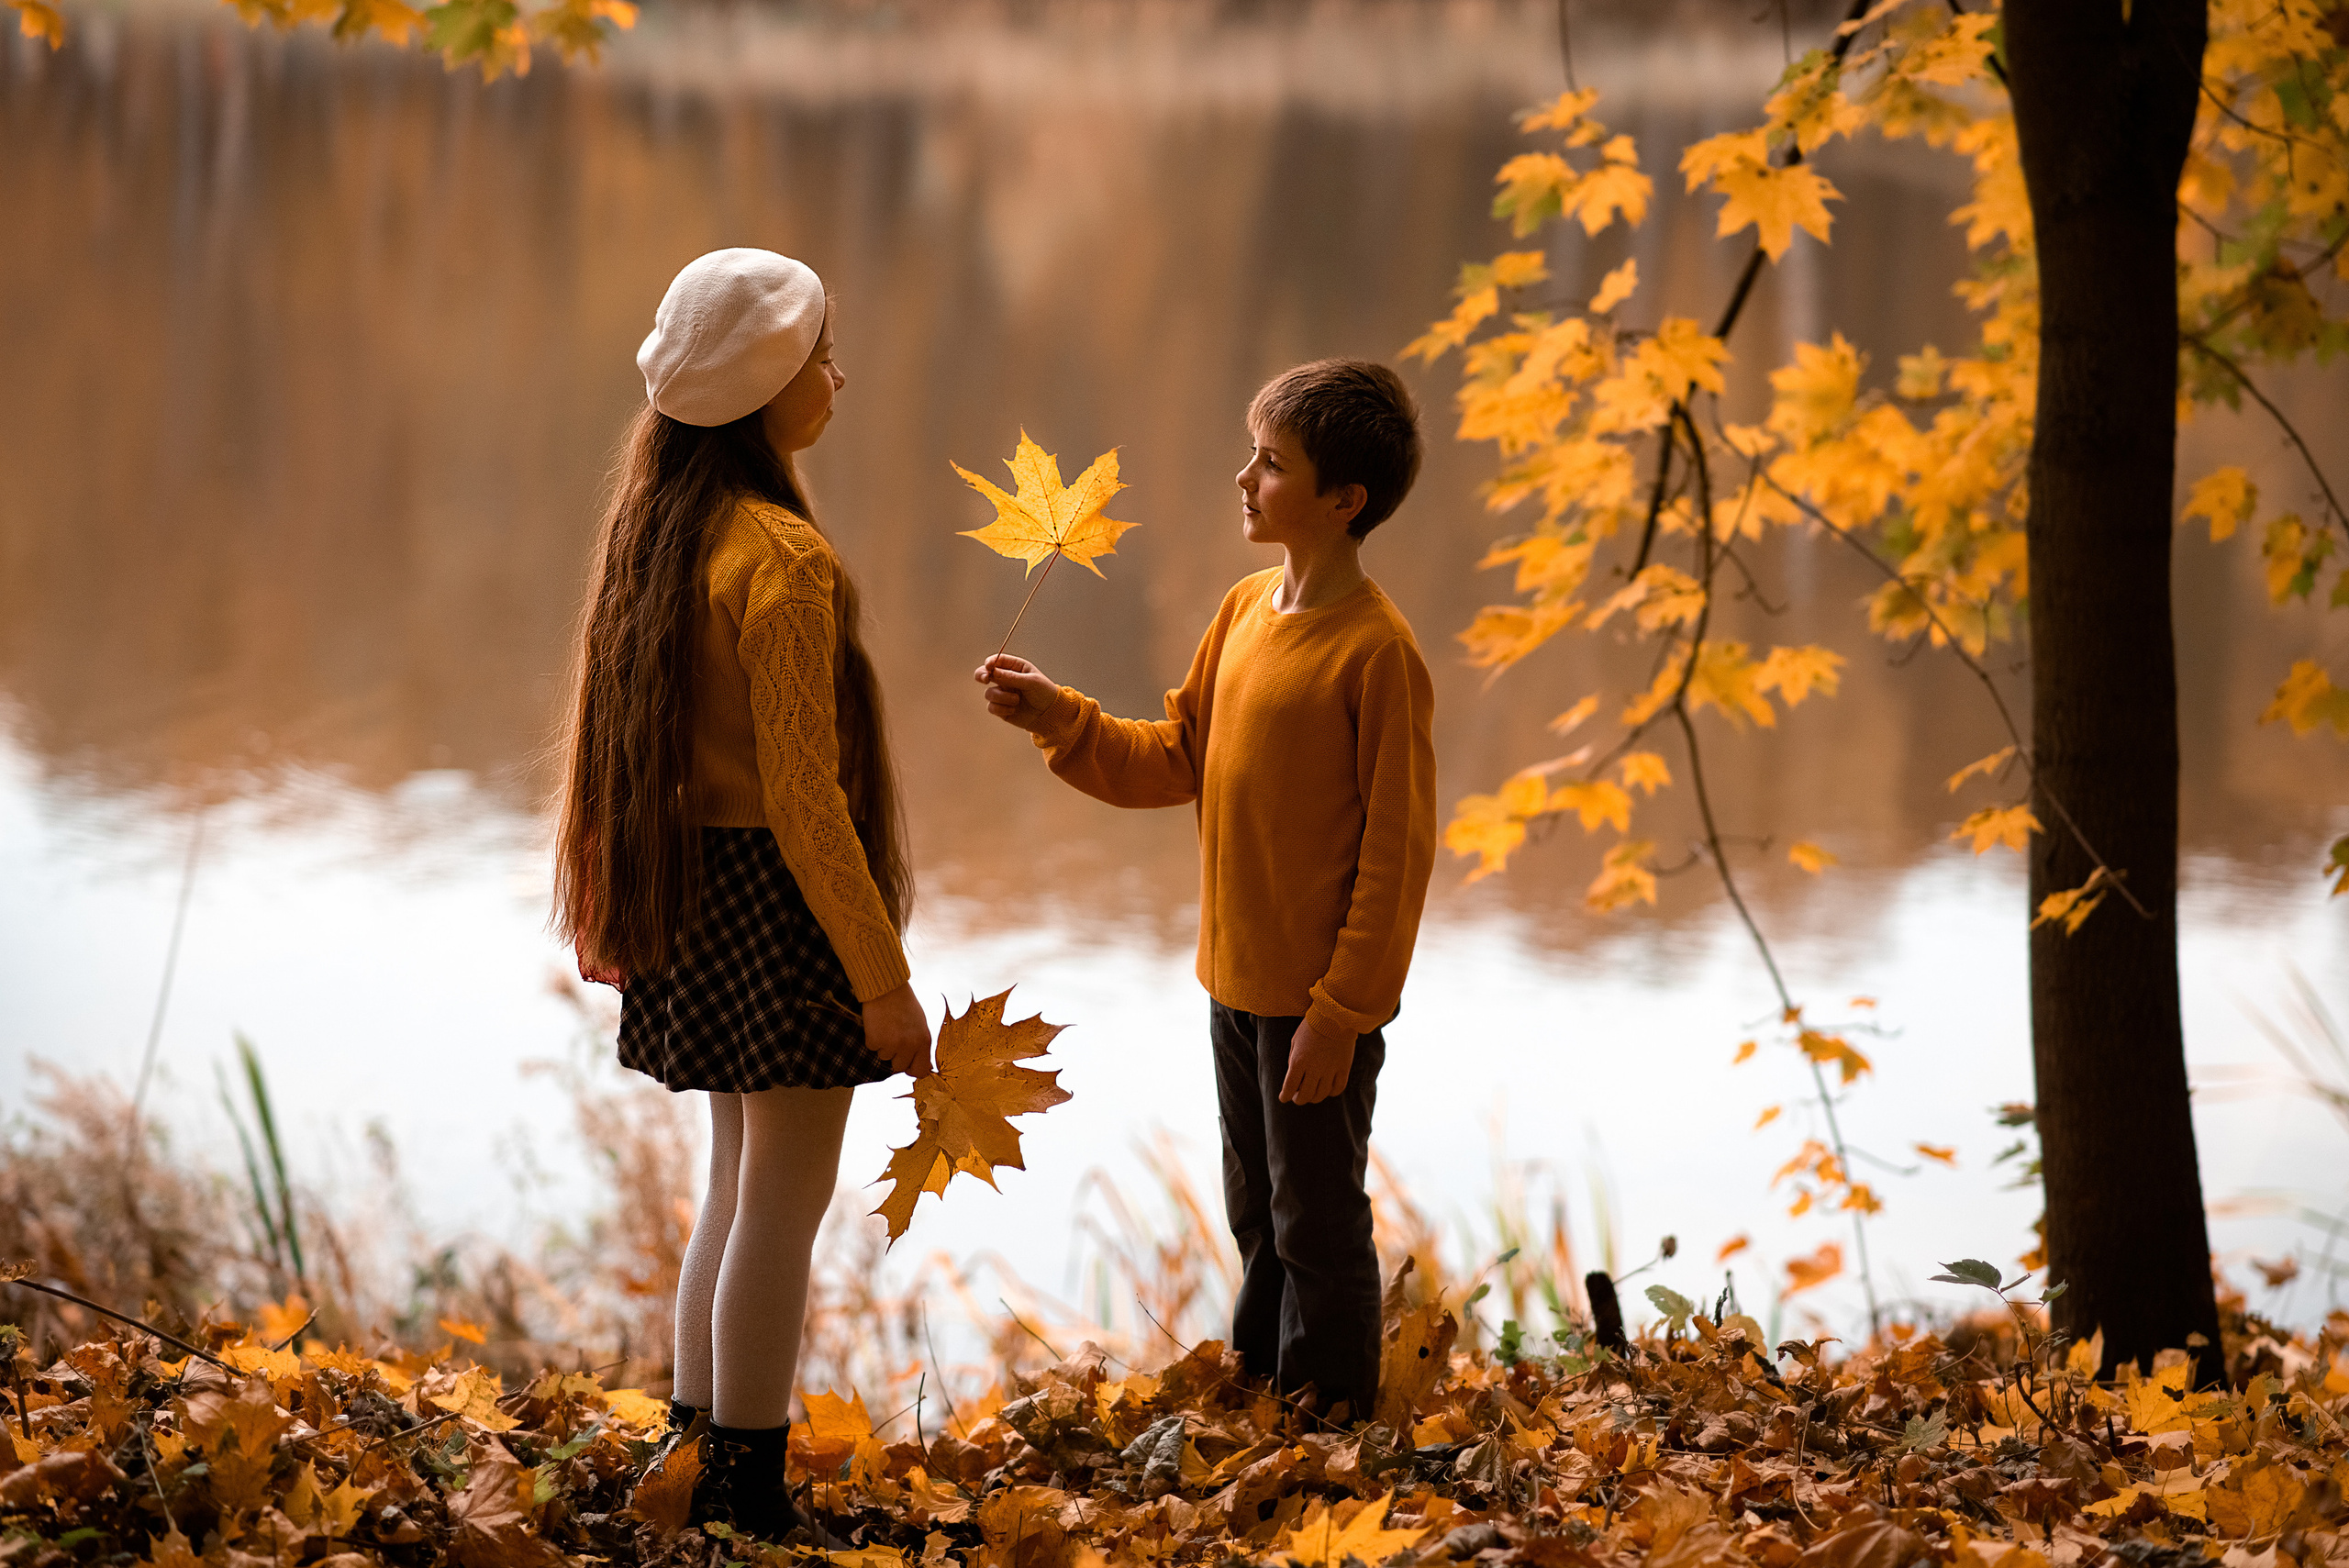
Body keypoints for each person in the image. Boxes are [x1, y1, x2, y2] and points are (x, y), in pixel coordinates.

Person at [974, 359, 1436, 1423]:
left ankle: (1330, 1424)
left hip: (1317, 1005)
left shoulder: (1377, 654)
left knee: (1316, 1218)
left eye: (1270, 465)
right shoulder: (1241, 612)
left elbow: (1396, 854)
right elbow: (1178, 755)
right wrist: (1062, 718)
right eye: (1250, 454)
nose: (1243, 477)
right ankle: (1264, 1392)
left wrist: (1341, 1011)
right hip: (1233, 982)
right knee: (1257, 1212)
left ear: (1342, 500)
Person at [554, 249, 930, 1540]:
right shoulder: (779, 556)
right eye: (822, 353)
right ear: (771, 386)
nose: (837, 375)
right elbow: (808, 803)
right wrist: (882, 981)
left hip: (693, 891)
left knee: (733, 1178)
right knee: (783, 1198)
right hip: (781, 906)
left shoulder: (664, 532)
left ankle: (697, 1443)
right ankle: (746, 1494)